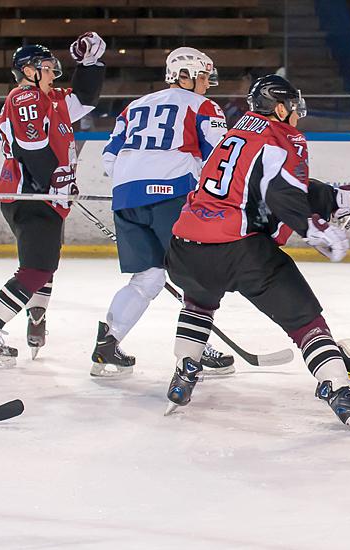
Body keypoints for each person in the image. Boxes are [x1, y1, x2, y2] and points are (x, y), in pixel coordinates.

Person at [162, 74, 350, 432]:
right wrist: (316, 227)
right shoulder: (283, 136)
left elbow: (266, 186)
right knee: (306, 321)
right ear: (280, 108)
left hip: (185, 248)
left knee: (199, 302)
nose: (298, 116)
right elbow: (282, 196)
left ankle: (184, 371)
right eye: (294, 108)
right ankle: (340, 392)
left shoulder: (236, 133)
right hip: (237, 250)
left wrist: (341, 197)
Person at [0, 33, 106, 366]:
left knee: (45, 265)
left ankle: (36, 319)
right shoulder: (23, 97)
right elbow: (33, 147)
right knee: (38, 267)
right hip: (31, 194)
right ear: (27, 70)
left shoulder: (52, 98)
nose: (52, 71)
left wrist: (90, 64)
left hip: (45, 196)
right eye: (45, 66)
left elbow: (85, 98)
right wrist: (56, 181)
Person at [92, 47, 234, 377]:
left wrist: (137, 184)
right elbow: (220, 158)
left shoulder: (134, 106)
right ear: (183, 76)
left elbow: (108, 159)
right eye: (202, 77)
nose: (206, 85)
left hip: (126, 197)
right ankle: (195, 349)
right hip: (172, 196)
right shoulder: (204, 107)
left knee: (148, 276)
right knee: (198, 272)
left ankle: (107, 346)